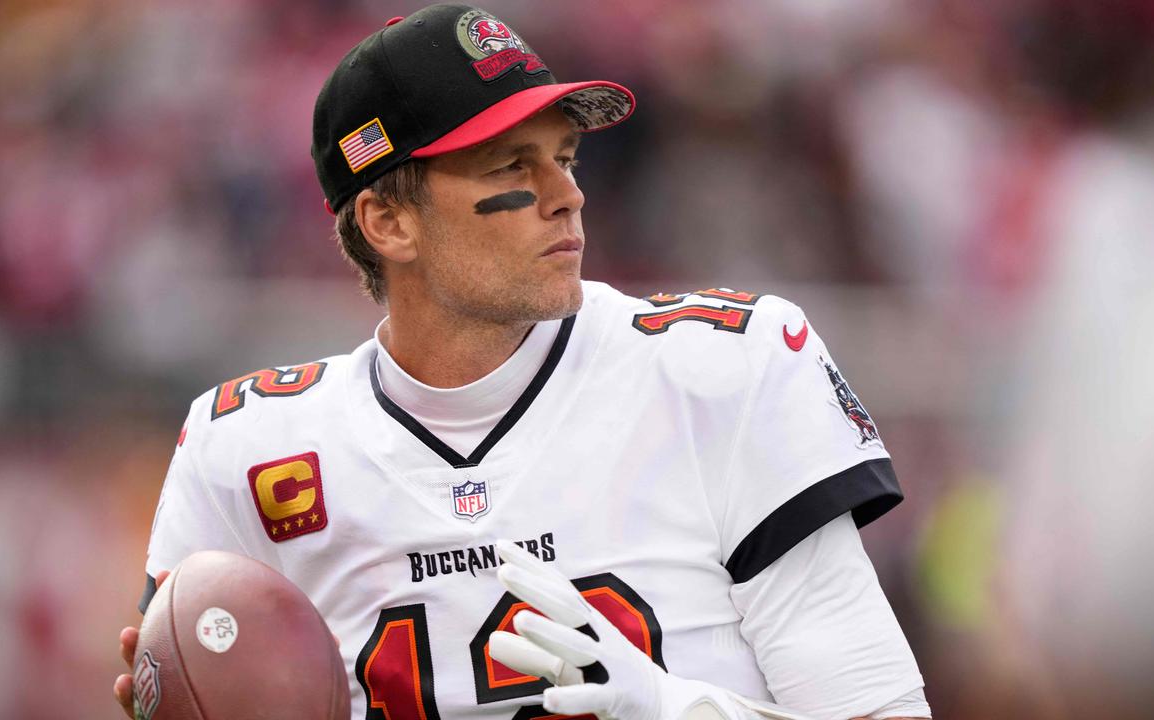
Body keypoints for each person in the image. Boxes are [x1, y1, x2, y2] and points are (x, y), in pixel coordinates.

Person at [113, 5, 931, 720]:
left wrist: (677, 709)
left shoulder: (722, 371)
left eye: (564, 156)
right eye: (511, 166)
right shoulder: (246, 450)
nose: (567, 193)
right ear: (387, 222)